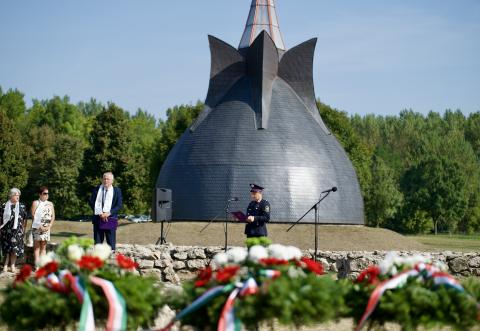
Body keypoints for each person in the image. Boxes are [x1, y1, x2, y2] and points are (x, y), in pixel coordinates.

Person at [88, 172, 123, 251]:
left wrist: (108, 213)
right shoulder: (97, 189)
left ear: (112, 181)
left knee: (111, 244)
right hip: (98, 219)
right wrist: (100, 212)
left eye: (108, 179)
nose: (106, 181)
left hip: (110, 219)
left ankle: (111, 261)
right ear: (102, 180)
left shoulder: (117, 191)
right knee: (97, 244)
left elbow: (119, 205)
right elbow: (90, 202)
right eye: (104, 179)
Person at [0, 188, 28, 273]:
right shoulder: (4, 205)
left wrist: (23, 229)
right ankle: (5, 265)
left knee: (15, 249)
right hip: (6, 231)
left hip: (17, 231)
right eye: (16, 195)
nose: (18, 196)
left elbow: (24, 219)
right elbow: (0, 218)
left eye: (19, 195)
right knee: (7, 249)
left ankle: (12, 265)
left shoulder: (22, 206)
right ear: (11, 195)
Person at [31, 186, 55, 265]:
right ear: (40, 194)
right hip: (37, 227)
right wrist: (40, 226)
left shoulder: (50, 204)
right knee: (37, 247)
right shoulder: (35, 203)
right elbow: (33, 215)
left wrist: (49, 226)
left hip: (47, 227)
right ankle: (37, 265)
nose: (47, 195)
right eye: (45, 193)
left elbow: (53, 216)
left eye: (47, 193)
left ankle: (42, 265)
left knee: (44, 247)